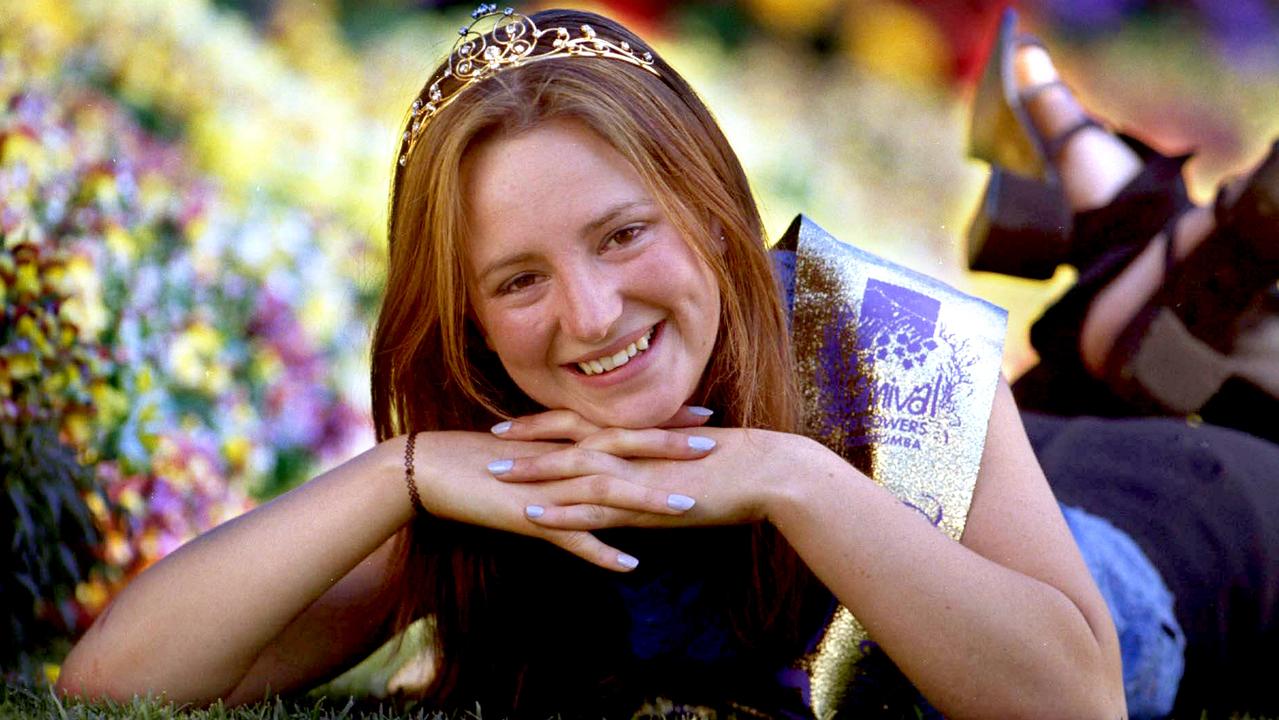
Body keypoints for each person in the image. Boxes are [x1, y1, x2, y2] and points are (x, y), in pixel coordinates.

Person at [49, 4, 1272, 718]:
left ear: (709, 209)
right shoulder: (512, 460)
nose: (586, 317)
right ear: (467, 315)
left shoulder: (873, 337)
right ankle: (1118, 215)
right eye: (517, 280)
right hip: (1014, 467)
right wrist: (402, 474)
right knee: (1147, 356)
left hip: (1177, 516)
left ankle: (1132, 231)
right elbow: (114, 683)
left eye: (623, 234)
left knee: (1238, 399)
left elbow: (1074, 702)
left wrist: (790, 479)